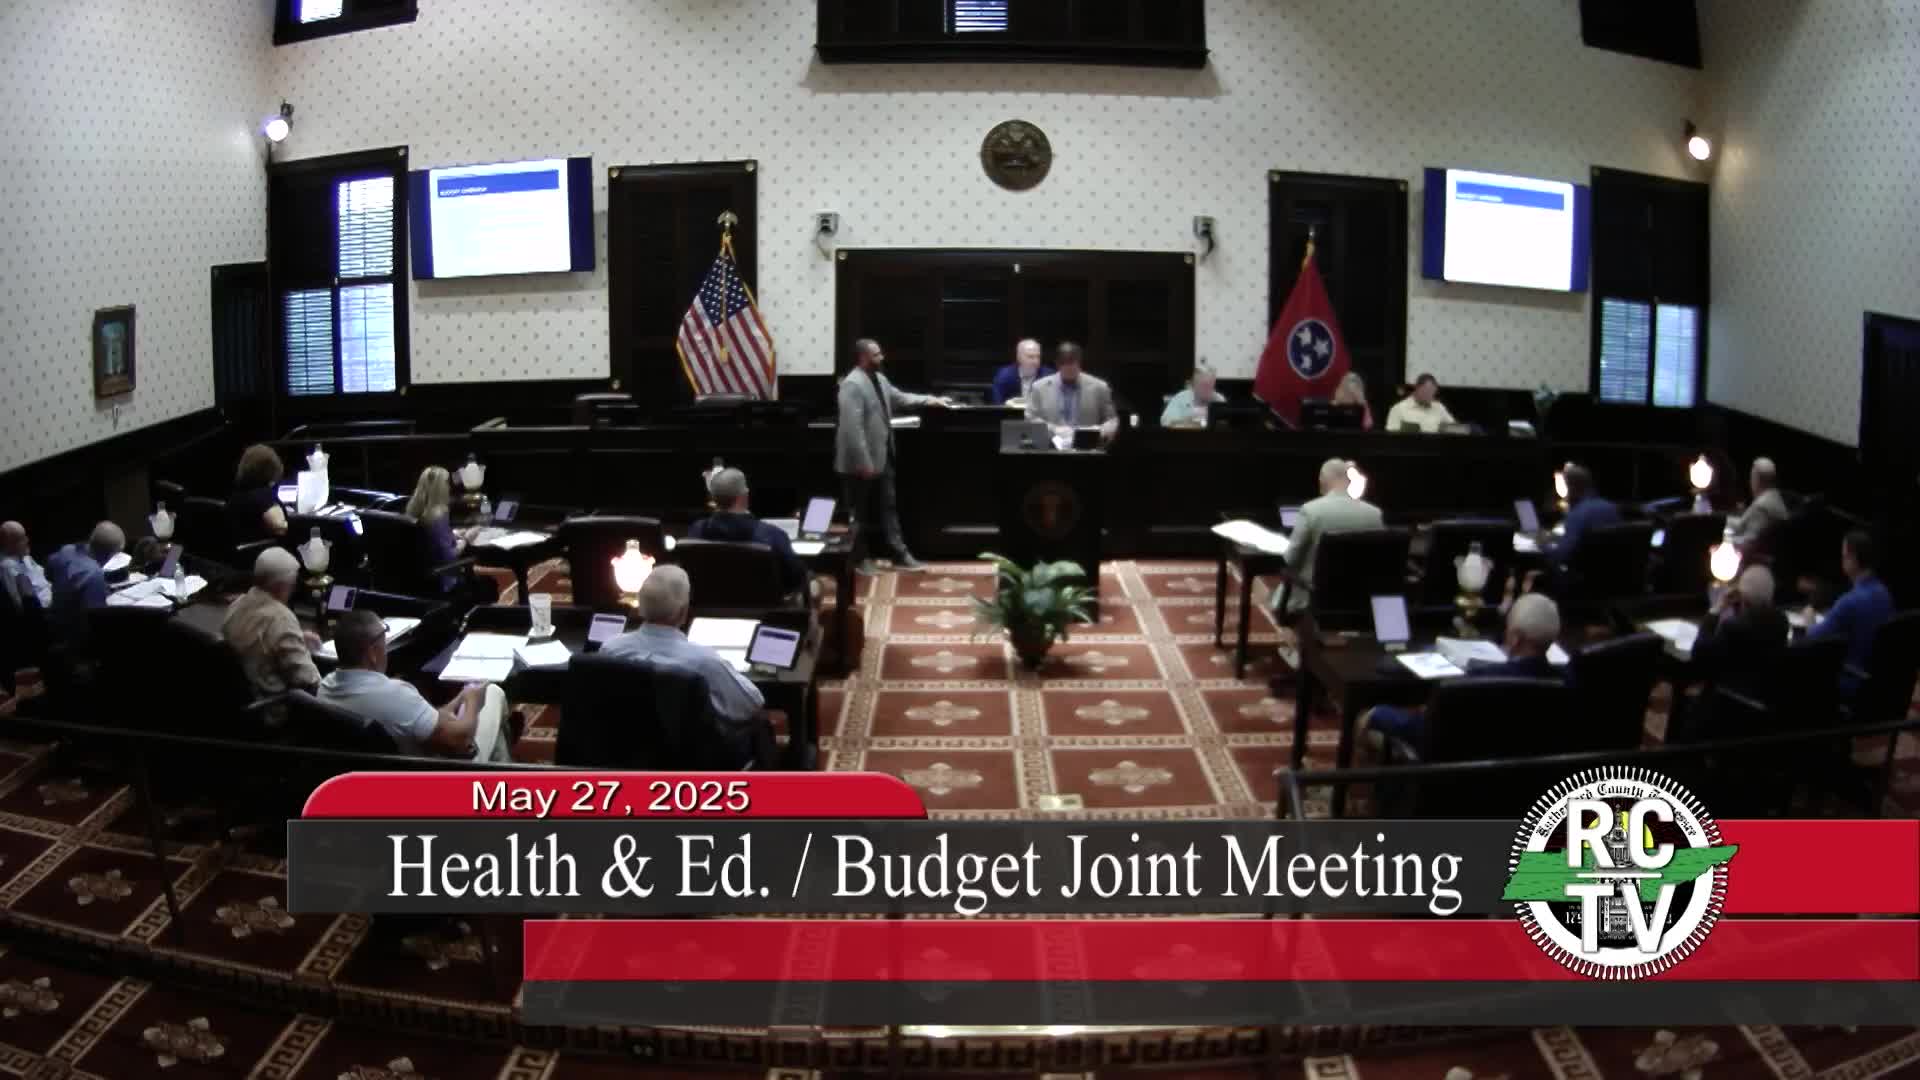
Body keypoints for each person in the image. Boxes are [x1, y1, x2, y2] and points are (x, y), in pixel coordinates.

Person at [601, 565, 769, 764]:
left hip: (625, 758)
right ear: (683, 611)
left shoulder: (610, 650)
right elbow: (751, 704)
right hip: (692, 763)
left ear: (641, 606)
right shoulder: (705, 661)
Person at [1365, 593, 1564, 756]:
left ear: (1515, 639)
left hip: (1453, 769)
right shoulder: (1566, 684)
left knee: (1369, 718)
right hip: (1525, 779)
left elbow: (1427, 732)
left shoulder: (1475, 683)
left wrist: (1378, 714)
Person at [319, 608, 512, 761]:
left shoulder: (325, 687)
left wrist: (459, 699)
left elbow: (422, 719)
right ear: (372, 653)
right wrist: (472, 702)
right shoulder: (394, 695)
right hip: (430, 780)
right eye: (384, 639)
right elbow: (460, 741)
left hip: (363, 779)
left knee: (491, 738)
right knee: (493, 692)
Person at [834, 338, 953, 575]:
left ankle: (900, 554)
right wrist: (864, 463)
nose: (882, 358)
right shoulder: (852, 384)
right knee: (859, 512)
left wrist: (930, 399)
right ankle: (860, 558)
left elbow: (900, 397)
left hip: (884, 455)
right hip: (860, 462)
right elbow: (852, 429)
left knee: (888, 506)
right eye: (876, 355)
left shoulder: (879, 379)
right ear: (863, 357)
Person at [1274, 458, 1384, 616]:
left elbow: (1291, 559)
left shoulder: (1310, 511)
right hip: (1360, 600)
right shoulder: (1375, 514)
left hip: (1315, 598)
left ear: (1324, 480)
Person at [689, 468, 808, 598]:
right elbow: (796, 578)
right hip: (765, 607)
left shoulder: (697, 530)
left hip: (710, 605)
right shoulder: (772, 535)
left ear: (713, 497)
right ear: (744, 495)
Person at [221, 547, 321, 700]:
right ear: (281, 586)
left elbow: (261, 638)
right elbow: (307, 679)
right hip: (274, 704)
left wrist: (298, 637)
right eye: (292, 584)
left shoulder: (237, 604)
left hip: (242, 695)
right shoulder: (281, 618)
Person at [1808, 530, 1894, 697]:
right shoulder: (1885, 593)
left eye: (1844, 556)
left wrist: (1809, 619)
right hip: (1875, 680)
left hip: (1848, 680)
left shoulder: (1850, 601)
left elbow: (1813, 638)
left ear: (1853, 559)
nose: (1842, 560)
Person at [1691, 564, 1788, 703]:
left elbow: (1699, 652)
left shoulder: (1733, 627)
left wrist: (1717, 608)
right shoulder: (1782, 621)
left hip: (1728, 702)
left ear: (1742, 595)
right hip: (1765, 698)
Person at [406, 465, 499, 603]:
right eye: (446, 484)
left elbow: (434, 540)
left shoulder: (413, 511)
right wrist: (466, 539)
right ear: (439, 489)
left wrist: (455, 534)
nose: (449, 487)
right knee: (489, 584)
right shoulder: (438, 516)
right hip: (443, 581)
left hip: (417, 584)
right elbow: (450, 555)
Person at [45, 521, 125, 642]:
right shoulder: (94, 574)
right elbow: (98, 620)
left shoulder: (65, 550)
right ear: (110, 554)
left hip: (55, 622)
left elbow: (48, 575)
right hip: (75, 638)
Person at [1026, 342, 1120, 440]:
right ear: (1057, 365)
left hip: (1087, 444)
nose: (1069, 368)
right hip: (1050, 443)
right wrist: (1053, 429)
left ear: (1079, 363)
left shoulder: (1099, 387)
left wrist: (1097, 431)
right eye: (1064, 364)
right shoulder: (1040, 387)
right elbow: (1030, 417)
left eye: (1072, 364)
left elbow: (1112, 420)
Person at [1545, 464, 1622, 573]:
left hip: (1579, 578)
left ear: (1572, 487)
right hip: (1611, 574)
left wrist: (1544, 545)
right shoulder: (1611, 508)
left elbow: (1561, 556)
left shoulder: (1578, 513)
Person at [229, 444, 289, 543]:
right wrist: (295, 524)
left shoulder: (235, 495)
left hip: (241, 549)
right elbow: (279, 528)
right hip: (265, 549)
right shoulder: (264, 495)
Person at [1730, 457, 1790, 553]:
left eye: (1752, 478)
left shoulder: (1761, 507)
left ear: (1757, 479)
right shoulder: (1774, 497)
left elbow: (1749, 543)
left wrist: (1727, 540)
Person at [0, 520, 52, 610]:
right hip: (38, 610)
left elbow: (43, 582)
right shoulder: (6, 566)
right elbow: (16, 600)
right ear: (9, 544)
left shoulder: (25, 557)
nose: (27, 540)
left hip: (50, 602)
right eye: (21, 539)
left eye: (25, 536)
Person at [1384, 373, 1456, 434]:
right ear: (1417, 388)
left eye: (1432, 392)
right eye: (1427, 391)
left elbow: (1454, 429)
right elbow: (1391, 437)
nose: (1430, 396)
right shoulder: (1398, 409)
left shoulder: (1439, 407)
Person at [1160, 365, 1227, 428]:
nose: (1206, 389)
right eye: (1203, 384)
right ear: (1193, 385)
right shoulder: (1181, 397)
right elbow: (1167, 422)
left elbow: (1223, 424)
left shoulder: (1219, 399)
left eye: (1210, 384)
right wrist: (1195, 423)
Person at [990, 338, 1052, 405]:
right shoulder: (1004, 376)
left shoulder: (1048, 376)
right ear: (1019, 357)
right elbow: (997, 404)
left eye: (1038, 357)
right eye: (1031, 357)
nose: (1036, 361)